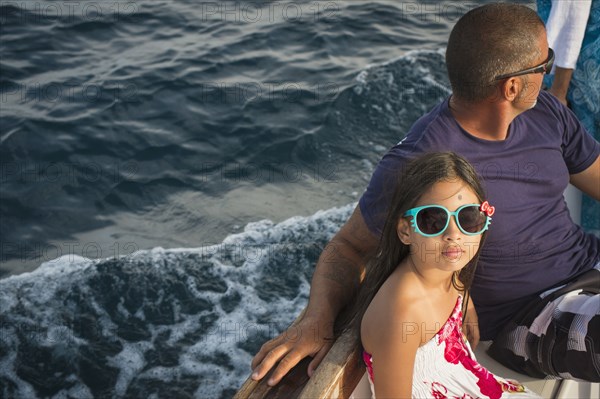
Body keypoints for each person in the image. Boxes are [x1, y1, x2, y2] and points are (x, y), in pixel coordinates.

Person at [251, 3, 600, 384]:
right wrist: (316, 322)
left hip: (589, 266)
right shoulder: (421, 161)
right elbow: (349, 247)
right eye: (544, 64)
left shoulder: (548, 113)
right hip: (530, 317)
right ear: (511, 86)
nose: (548, 71)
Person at [355, 151, 540, 398]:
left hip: (467, 381)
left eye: (468, 218)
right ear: (405, 231)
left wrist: (467, 304)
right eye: (433, 221)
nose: (454, 234)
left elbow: (457, 283)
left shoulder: (446, 268)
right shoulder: (401, 315)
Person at [536, 0, 600, 239]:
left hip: (576, 79)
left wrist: (558, 93)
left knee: (581, 161)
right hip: (584, 72)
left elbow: (572, 15)